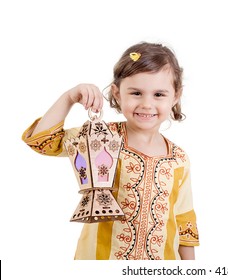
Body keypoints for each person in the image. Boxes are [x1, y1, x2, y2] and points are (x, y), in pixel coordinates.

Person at [21, 42, 199, 260]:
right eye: (136, 93)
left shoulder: (179, 159)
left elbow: (184, 219)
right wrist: (68, 98)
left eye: (159, 94)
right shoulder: (99, 138)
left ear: (176, 96)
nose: (146, 104)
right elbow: (43, 142)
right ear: (117, 93)